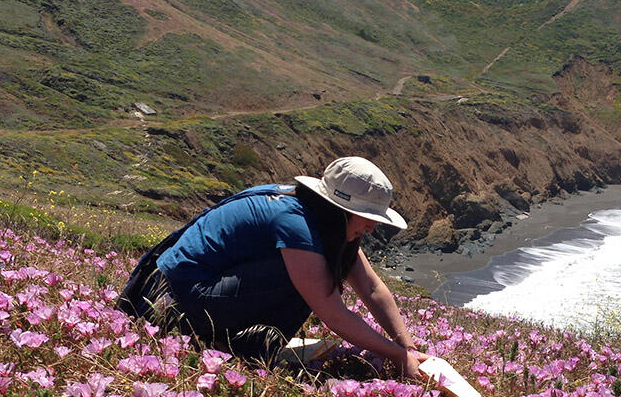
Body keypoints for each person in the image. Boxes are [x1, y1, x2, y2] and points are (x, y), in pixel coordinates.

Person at [116, 156, 431, 378]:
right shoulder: (295, 224)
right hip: (172, 300)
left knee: (312, 274)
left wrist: (407, 345)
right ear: (341, 209)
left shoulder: (319, 215)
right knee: (308, 281)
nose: (372, 229)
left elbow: (372, 287)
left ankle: (232, 340)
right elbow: (332, 312)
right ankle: (237, 348)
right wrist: (397, 356)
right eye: (369, 219)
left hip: (178, 286)